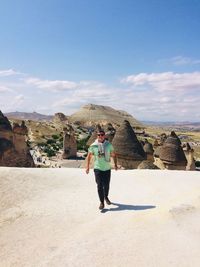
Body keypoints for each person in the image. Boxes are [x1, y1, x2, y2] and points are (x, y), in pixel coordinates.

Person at [86, 130, 118, 210]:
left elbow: (114, 155)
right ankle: (102, 202)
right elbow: (89, 156)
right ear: (97, 136)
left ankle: (106, 197)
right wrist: (87, 167)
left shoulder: (108, 145)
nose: (100, 136)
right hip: (98, 168)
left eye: (102, 135)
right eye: (98, 135)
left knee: (106, 185)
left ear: (104, 136)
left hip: (107, 168)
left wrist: (116, 165)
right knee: (99, 186)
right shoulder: (93, 146)